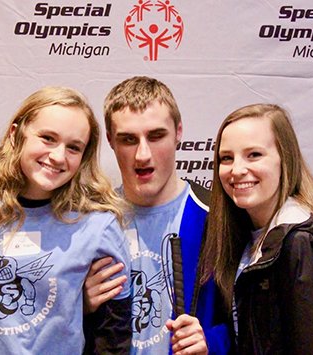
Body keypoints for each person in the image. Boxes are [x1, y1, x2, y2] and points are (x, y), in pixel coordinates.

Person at [0, 86, 132, 354]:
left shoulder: (98, 227)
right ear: (16, 135)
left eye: (73, 147)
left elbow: (114, 336)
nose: (58, 156)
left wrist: (76, 303)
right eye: (48, 138)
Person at [200, 103, 313, 353]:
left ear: (284, 158)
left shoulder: (300, 242)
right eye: (226, 158)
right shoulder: (249, 237)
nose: (236, 170)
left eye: (254, 154)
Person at [83, 76, 230, 354]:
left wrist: (212, 343)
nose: (142, 154)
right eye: (128, 139)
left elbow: (253, 323)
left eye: (156, 136)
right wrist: (77, 304)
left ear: (178, 132)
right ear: (111, 140)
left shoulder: (216, 218)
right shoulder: (90, 220)